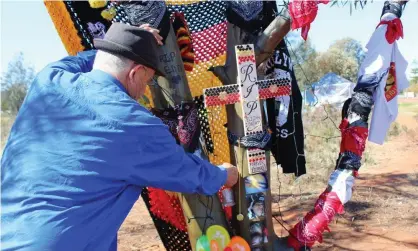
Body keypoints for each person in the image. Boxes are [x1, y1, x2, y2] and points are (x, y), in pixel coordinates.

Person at [1, 22, 238, 251]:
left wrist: (125, 42)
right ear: (136, 73)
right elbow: (185, 171)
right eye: (146, 81)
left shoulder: (48, 81)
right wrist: (223, 175)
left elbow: (88, 61)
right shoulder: (132, 123)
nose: (144, 90)